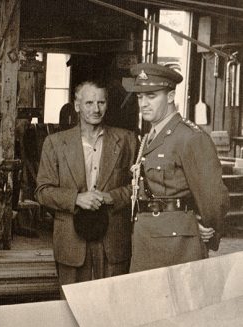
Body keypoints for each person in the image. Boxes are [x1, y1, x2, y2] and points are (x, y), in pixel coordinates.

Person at [123, 63, 230, 272]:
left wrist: (206, 228)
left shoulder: (190, 137)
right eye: (139, 97)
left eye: (151, 96)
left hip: (176, 246)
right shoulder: (149, 137)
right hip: (146, 238)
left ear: (171, 96)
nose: (143, 103)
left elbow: (214, 198)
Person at [36, 81, 137, 290]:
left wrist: (112, 197)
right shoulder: (55, 143)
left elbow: (139, 188)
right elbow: (42, 192)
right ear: (77, 105)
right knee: (72, 308)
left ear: (107, 105)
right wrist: (76, 198)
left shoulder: (127, 140)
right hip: (71, 241)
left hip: (113, 240)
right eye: (89, 102)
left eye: (101, 102)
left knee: (111, 307)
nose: (96, 109)